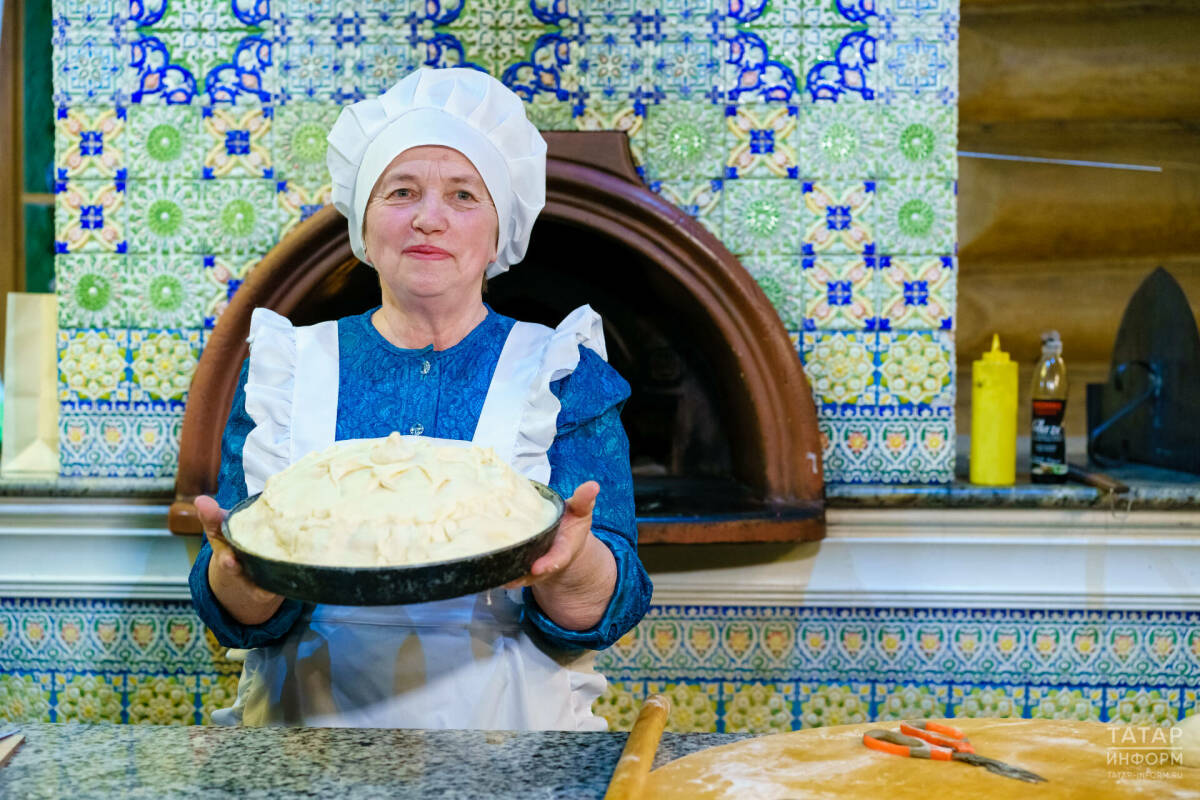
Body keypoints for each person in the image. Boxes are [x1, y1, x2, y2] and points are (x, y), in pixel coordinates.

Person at [187, 67, 653, 729]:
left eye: (463, 195)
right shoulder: (287, 369)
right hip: (305, 749)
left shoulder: (560, 370)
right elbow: (238, 616)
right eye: (402, 191)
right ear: (364, 223)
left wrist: (570, 563)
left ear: (499, 230)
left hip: (506, 747)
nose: (428, 219)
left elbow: (604, 611)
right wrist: (238, 575)